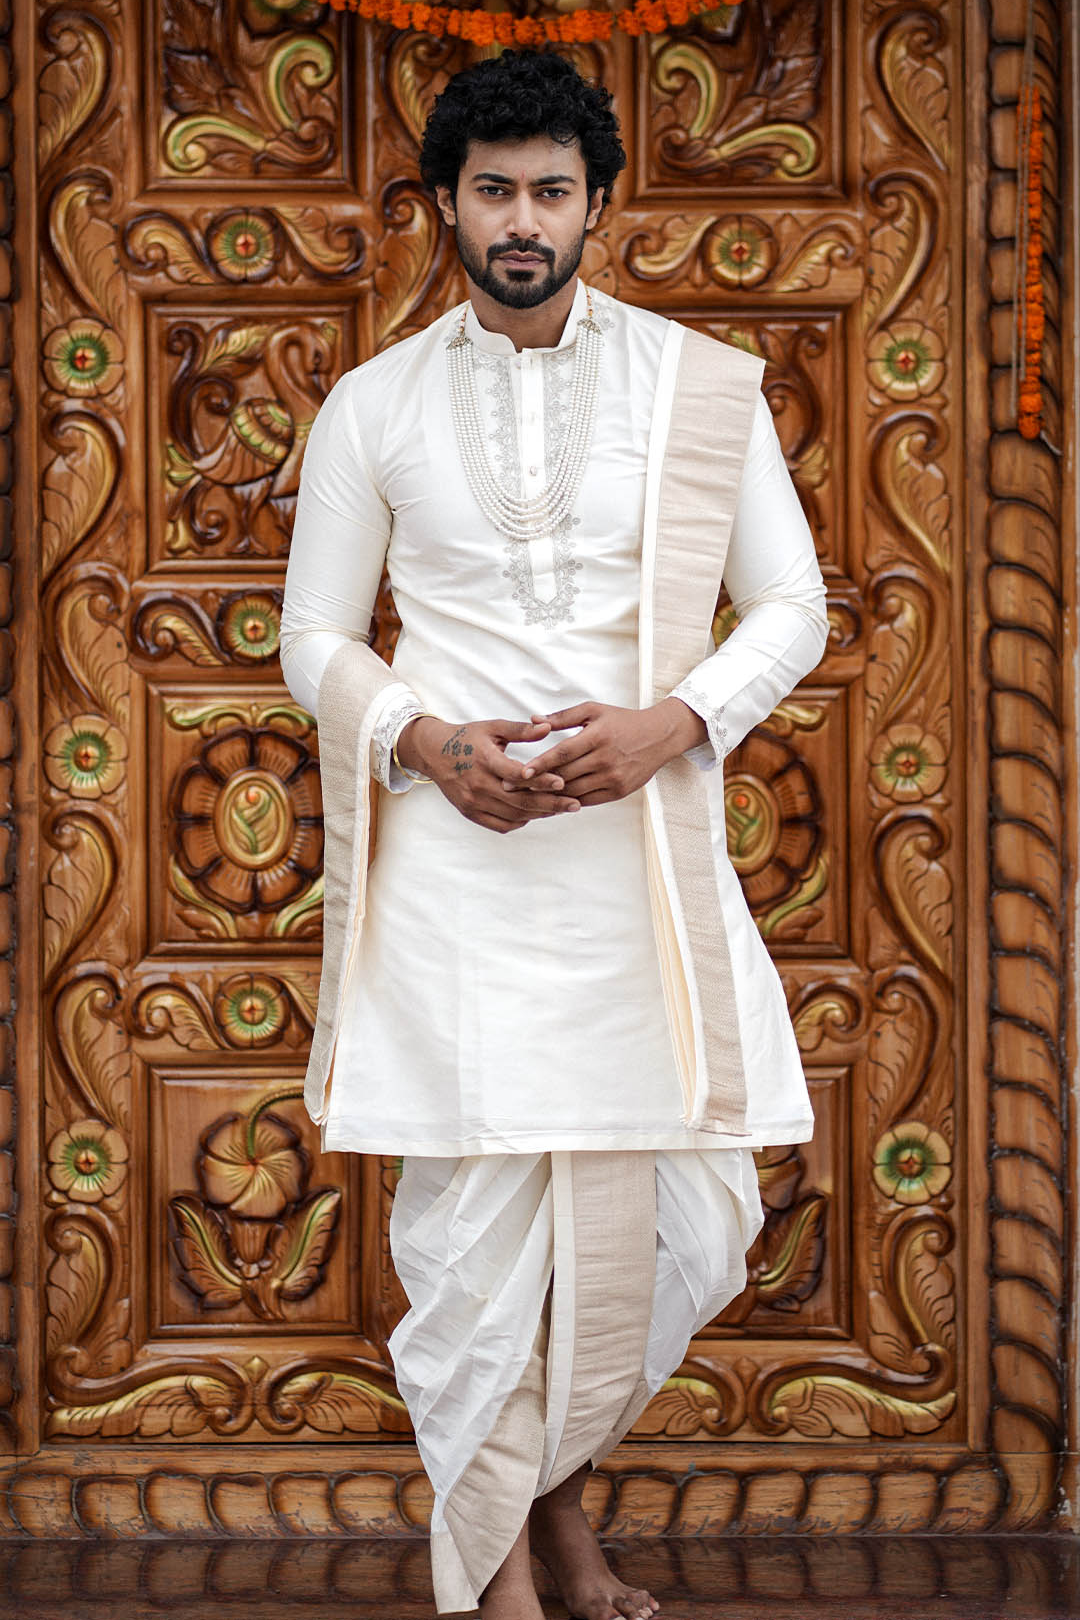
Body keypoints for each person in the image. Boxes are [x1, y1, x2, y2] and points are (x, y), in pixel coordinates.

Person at [278, 49, 828, 1620]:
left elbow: (793, 604)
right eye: (495, 191)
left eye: (551, 191)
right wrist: (423, 742)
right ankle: (516, 1567)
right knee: (477, 1257)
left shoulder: (695, 387)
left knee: (692, 1224)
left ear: (598, 208)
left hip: (637, 868)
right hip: (464, 873)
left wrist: (679, 722)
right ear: (445, 204)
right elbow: (317, 638)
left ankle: (548, 1514)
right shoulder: (375, 404)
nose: (523, 219)